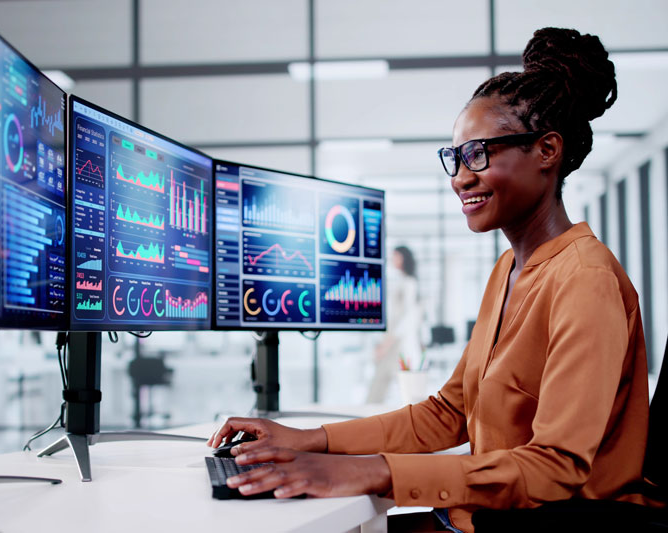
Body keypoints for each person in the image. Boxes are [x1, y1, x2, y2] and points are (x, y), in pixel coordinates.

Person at [206, 27, 663, 533]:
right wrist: (309, 439)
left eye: (479, 154)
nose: (460, 177)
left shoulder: (585, 279)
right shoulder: (509, 269)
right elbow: (449, 412)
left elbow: (556, 466)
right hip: (484, 517)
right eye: (455, 158)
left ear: (547, 151)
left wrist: (370, 472)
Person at [366, 245, 424, 403]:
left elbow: (407, 318)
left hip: (399, 343)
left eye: (396, 256)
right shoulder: (401, 281)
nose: (393, 260)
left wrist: (387, 343)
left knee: (398, 384)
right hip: (393, 339)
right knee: (382, 381)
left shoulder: (409, 283)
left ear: (405, 258)